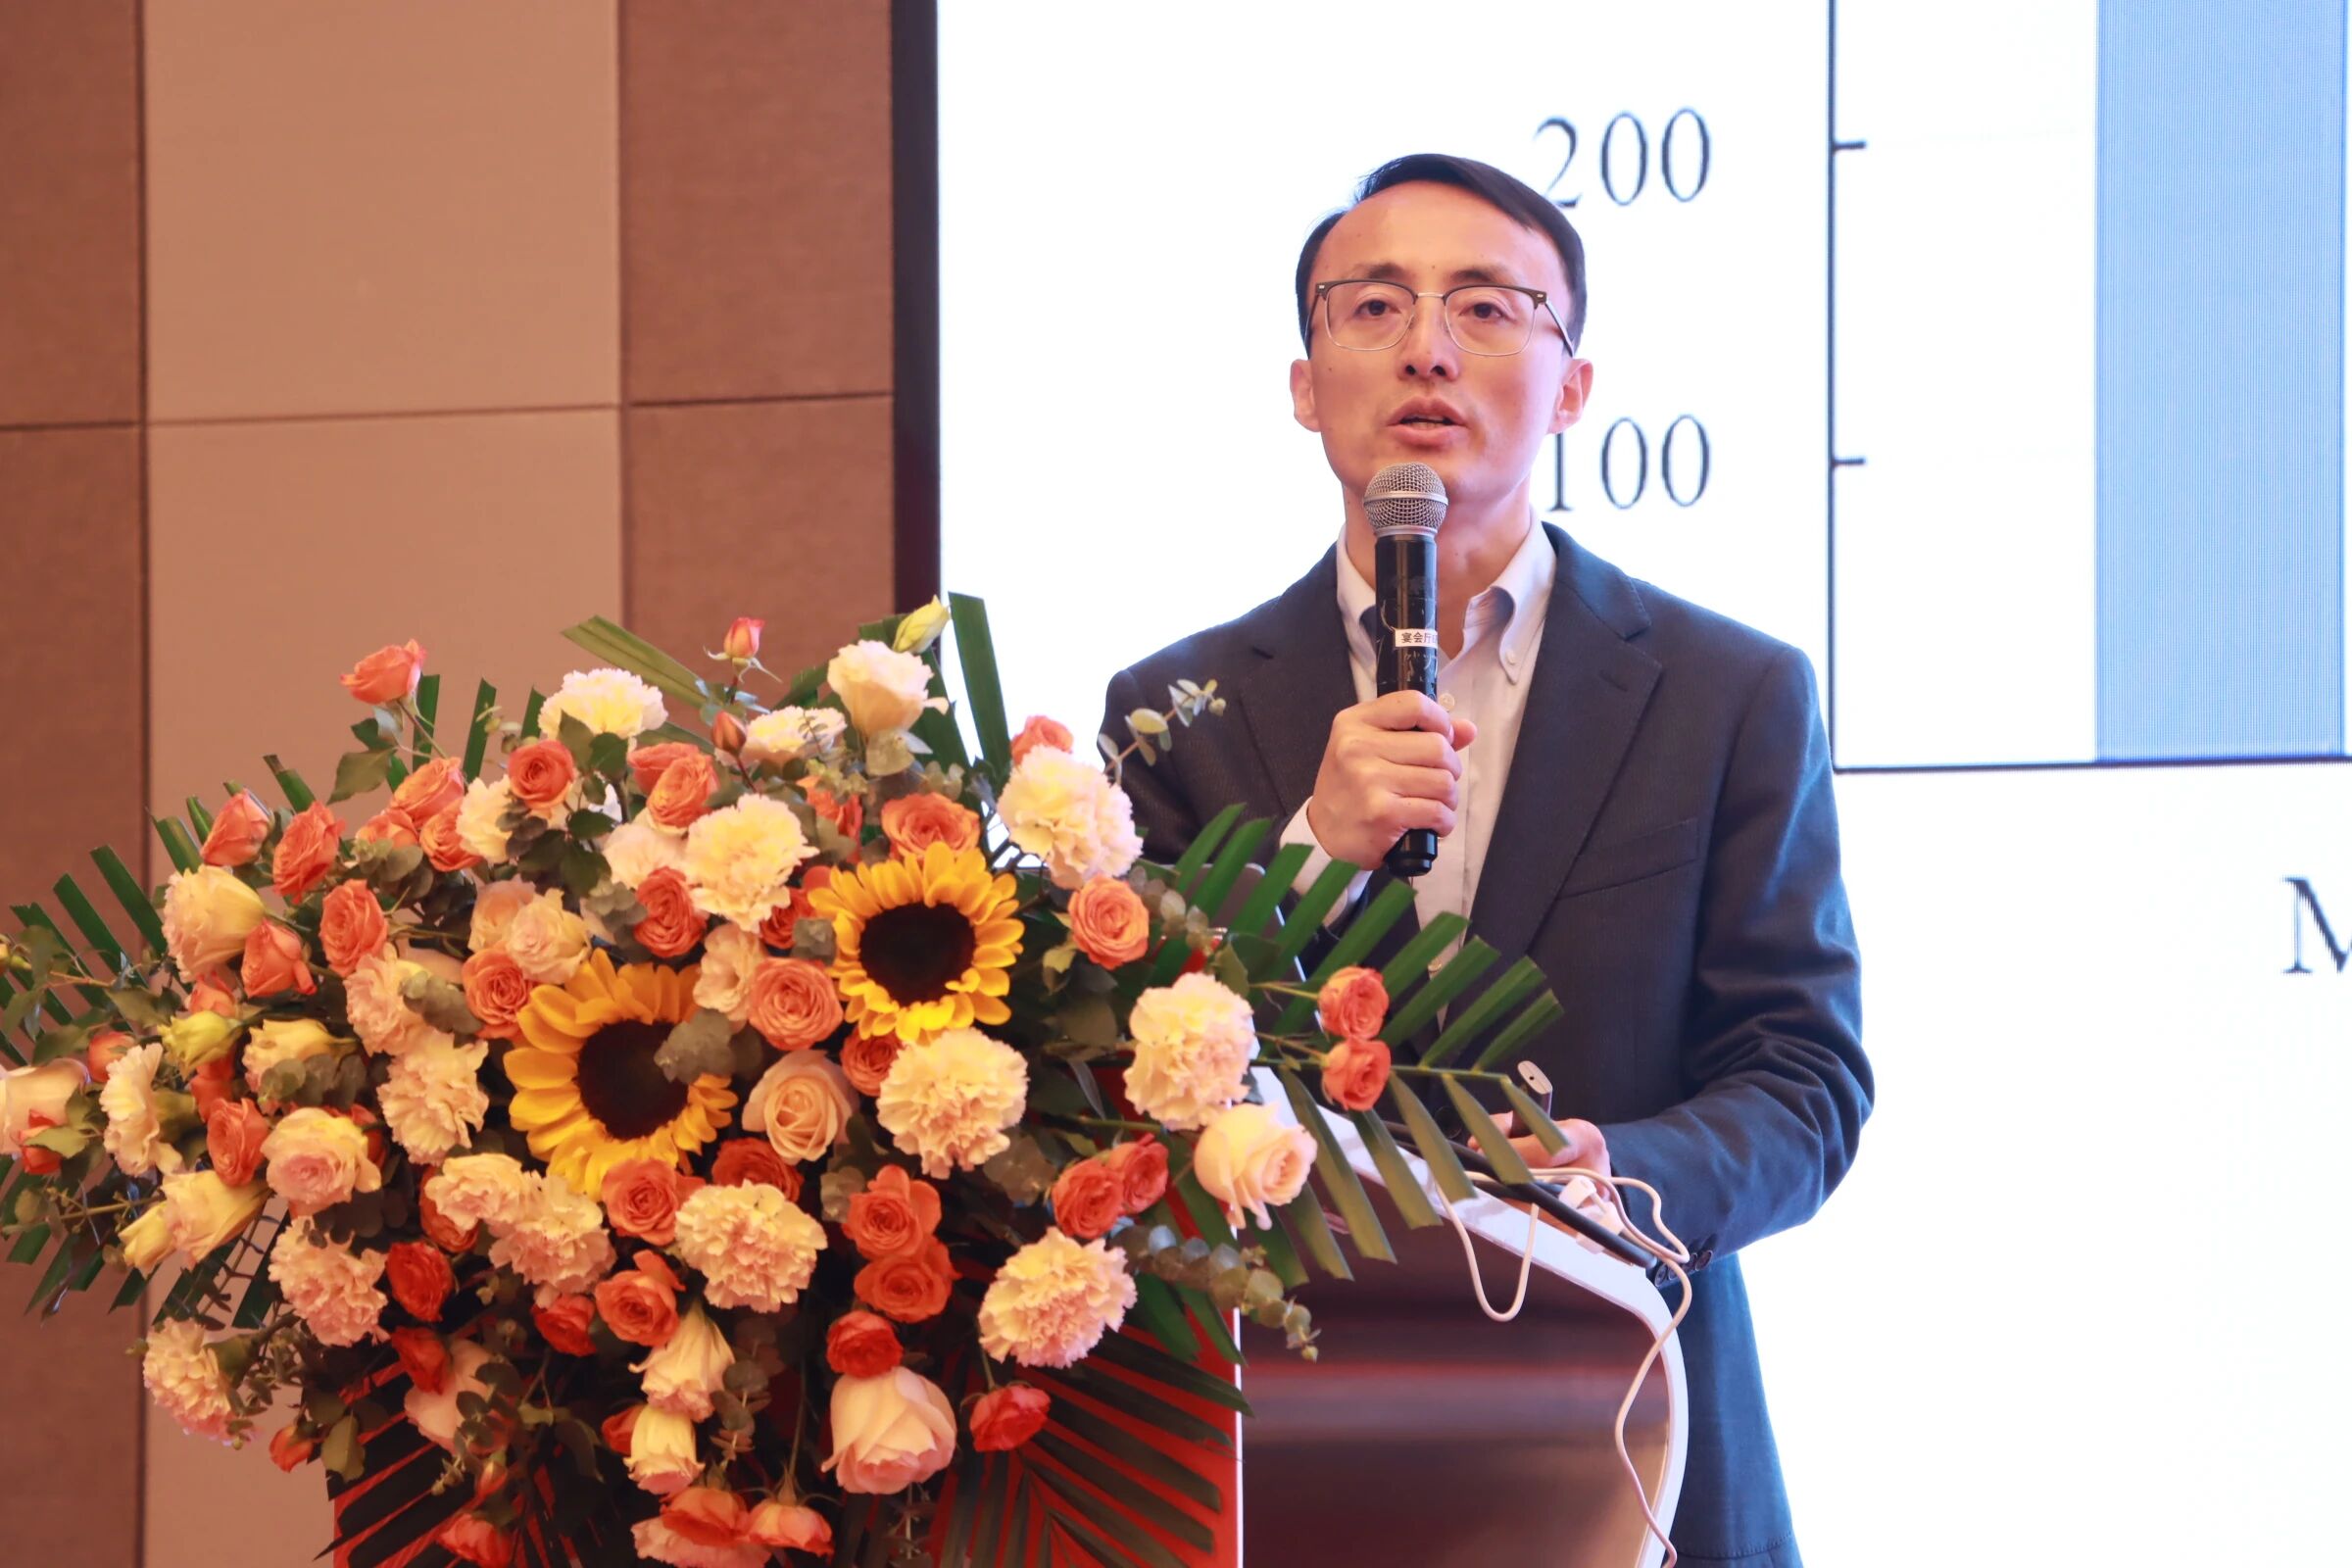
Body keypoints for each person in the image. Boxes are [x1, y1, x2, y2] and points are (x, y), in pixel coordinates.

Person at [1099, 153, 1871, 1568]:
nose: (1428, 350)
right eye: (1374, 306)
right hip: (1276, 1466)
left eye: (1488, 308)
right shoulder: (1177, 711)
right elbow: (1119, 1071)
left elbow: (1806, 1081)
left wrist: (1617, 1170)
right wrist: (1310, 855)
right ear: (1303, 383)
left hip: (1633, 1450)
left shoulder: (1727, 694)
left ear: (1573, 389)